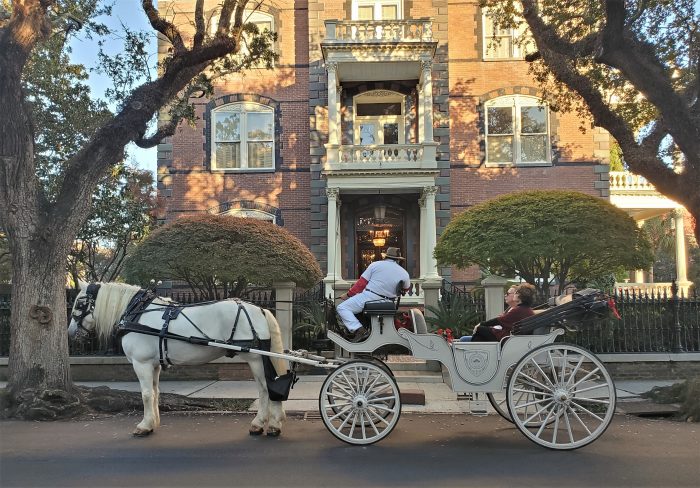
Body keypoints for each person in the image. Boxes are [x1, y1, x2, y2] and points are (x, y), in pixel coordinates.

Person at [337, 247, 411, 342]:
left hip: (370, 297)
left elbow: (361, 284)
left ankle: (359, 330)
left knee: (342, 308)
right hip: (389, 302)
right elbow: (405, 289)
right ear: (398, 259)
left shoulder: (375, 265)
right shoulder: (404, 273)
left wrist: (348, 295)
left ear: (386, 257)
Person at [459, 283, 536, 342]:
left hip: (508, 339)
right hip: (512, 337)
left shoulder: (519, 310)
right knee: (481, 332)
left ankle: (474, 352)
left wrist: (481, 324)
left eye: (516, 293)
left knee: (480, 329)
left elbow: (498, 320)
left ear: (520, 296)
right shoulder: (526, 309)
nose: (514, 295)